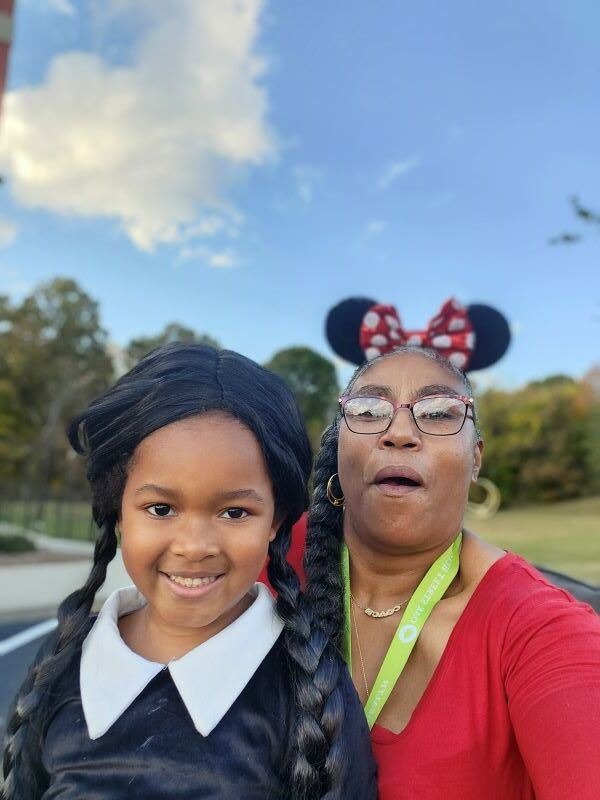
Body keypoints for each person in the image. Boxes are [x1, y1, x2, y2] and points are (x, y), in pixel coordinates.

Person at [2, 343, 377, 800]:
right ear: (117, 511)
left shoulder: (310, 689)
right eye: (161, 508)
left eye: (234, 512)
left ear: (276, 518)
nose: (195, 547)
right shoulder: (60, 672)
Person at [305, 345, 600, 800]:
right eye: (368, 409)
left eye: (440, 412)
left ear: (476, 457)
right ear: (337, 445)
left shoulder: (542, 630)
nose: (399, 432)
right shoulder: (258, 559)